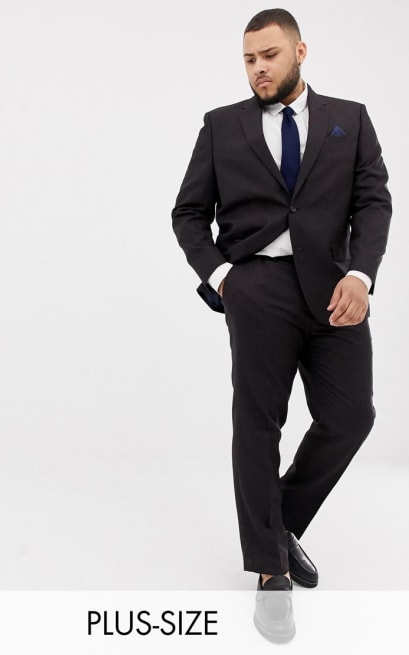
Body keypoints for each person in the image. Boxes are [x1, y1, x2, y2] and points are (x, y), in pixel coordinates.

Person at [171, 8, 391, 592]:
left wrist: (362, 275)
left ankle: (277, 526)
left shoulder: (350, 119)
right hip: (256, 288)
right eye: (249, 59)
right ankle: (270, 567)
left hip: (335, 288)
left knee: (351, 416)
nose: (258, 68)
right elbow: (188, 213)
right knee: (259, 421)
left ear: (300, 51)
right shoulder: (221, 126)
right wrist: (223, 277)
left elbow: (373, 202)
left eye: (269, 55)